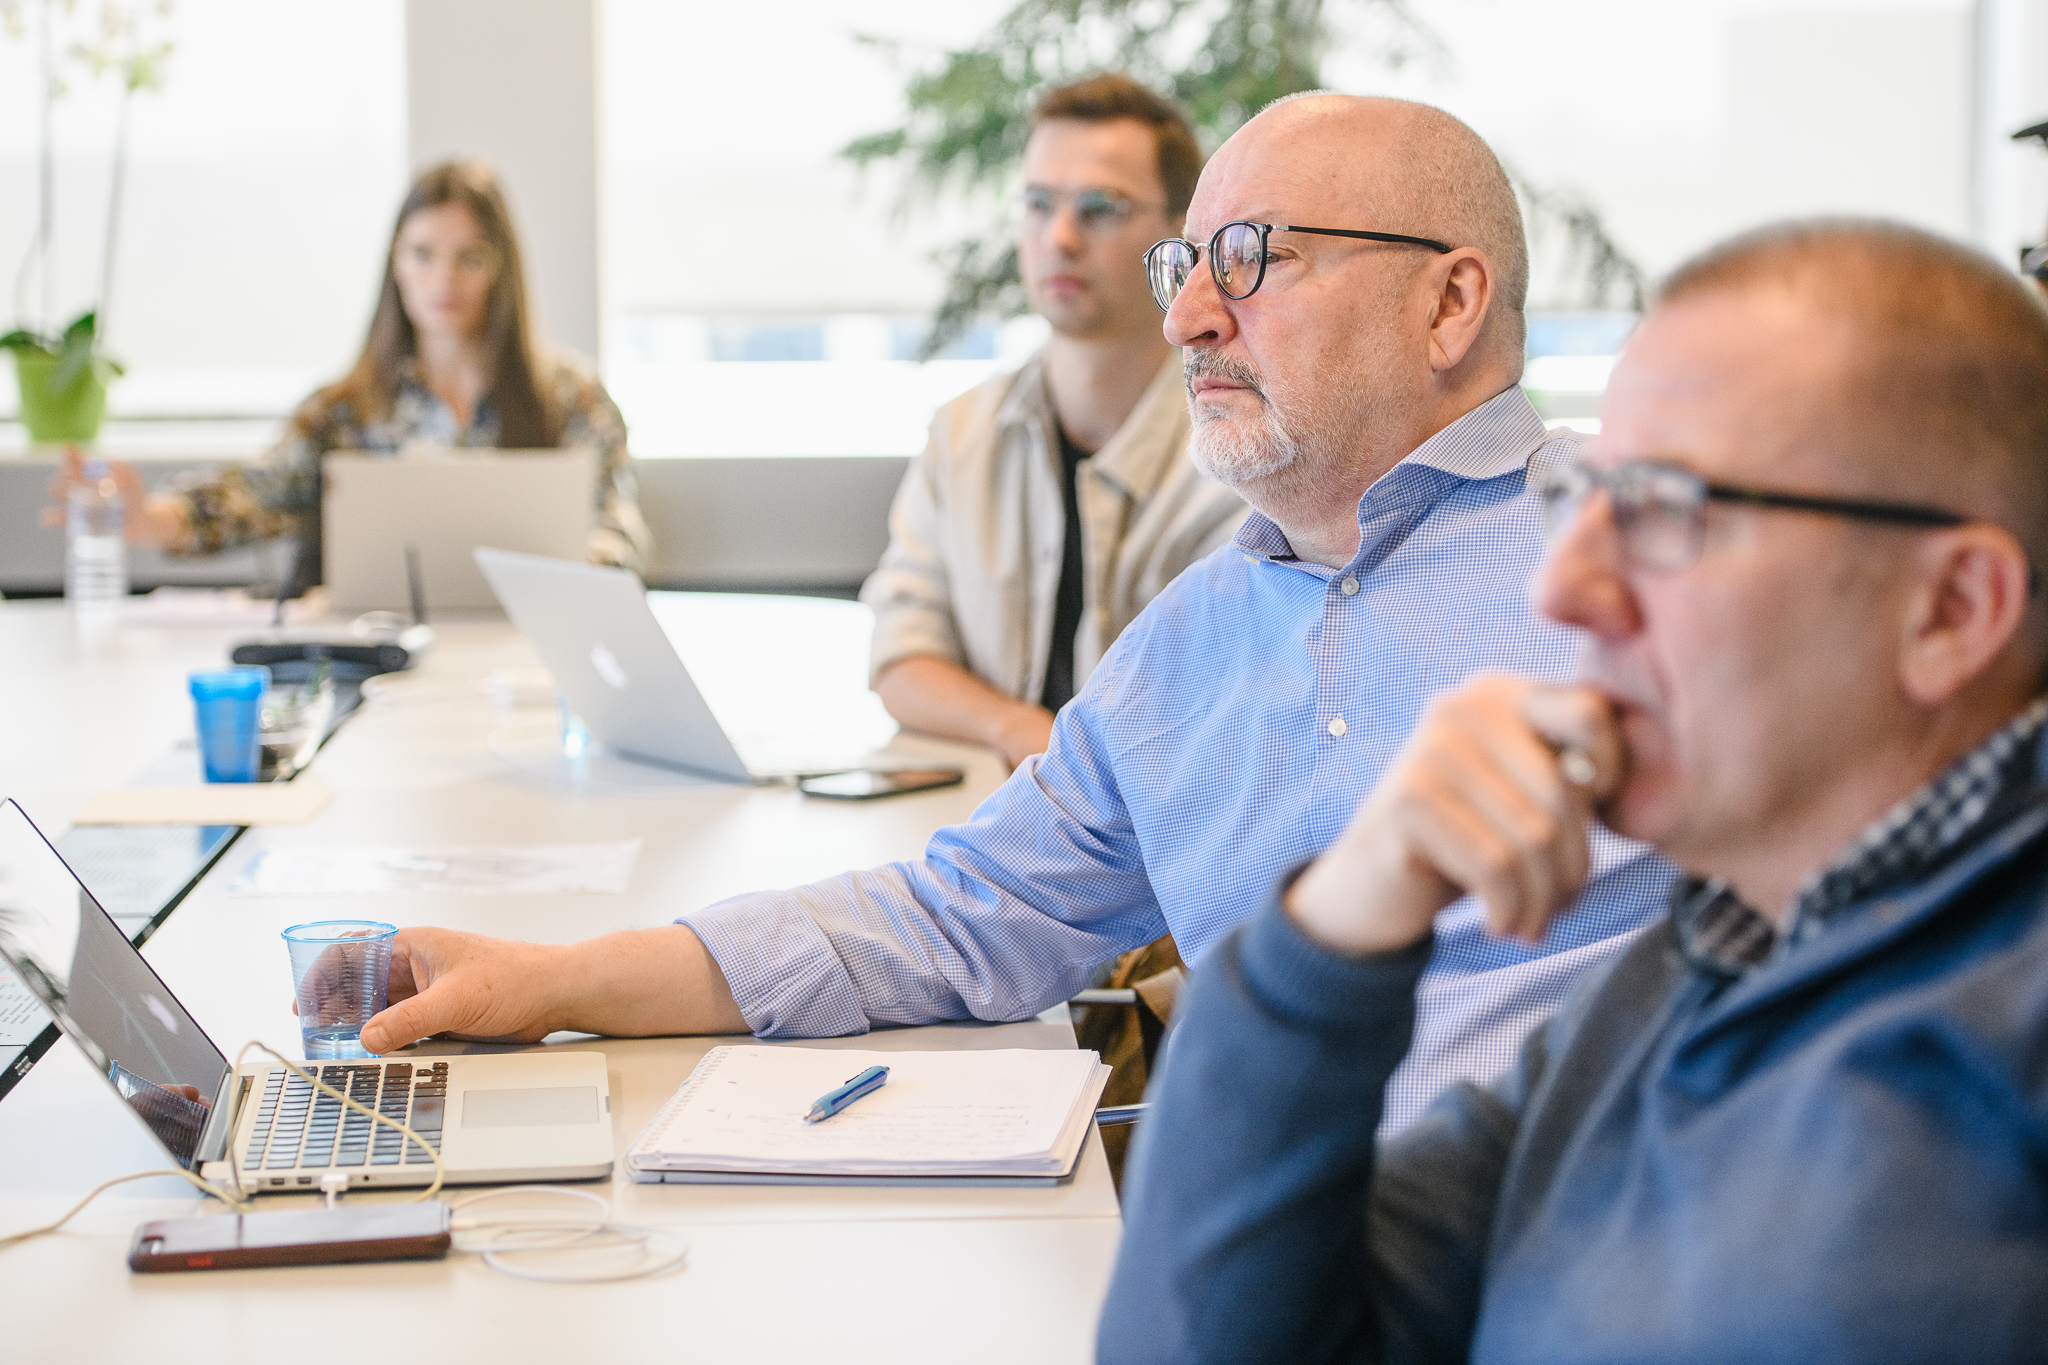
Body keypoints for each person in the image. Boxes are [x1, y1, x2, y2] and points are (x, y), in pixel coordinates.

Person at [352, 94, 1677, 1138]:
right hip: (1288, 1253)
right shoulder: (1190, 643)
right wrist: (556, 980)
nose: (1187, 315)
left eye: (1253, 259)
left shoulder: (1668, 565)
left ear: (1449, 302)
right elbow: (950, 917)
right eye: (1187, 263)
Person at [1099, 219, 2048, 1363]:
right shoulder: (1692, 966)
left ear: (1948, 611)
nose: (1560, 591)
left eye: (1661, 510)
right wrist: (1332, 935)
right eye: (1581, 497)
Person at [862, 74, 1246, 770]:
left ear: (1179, 234)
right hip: (986, 826)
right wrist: (1016, 728)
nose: (1060, 237)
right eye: (1039, 204)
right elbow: (901, 655)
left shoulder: (1235, 455)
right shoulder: (963, 432)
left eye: (1101, 208)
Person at [46, 161, 649, 591]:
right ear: (396, 265)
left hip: (526, 662)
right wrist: (150, 517)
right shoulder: (345, 411)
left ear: (502, 271)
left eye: (470, 257)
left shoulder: (572, 397)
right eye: (423, 253)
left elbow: (616, 530)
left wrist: (572, 582)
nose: (445, 279)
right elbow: (260, 492)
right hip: (377, 664)